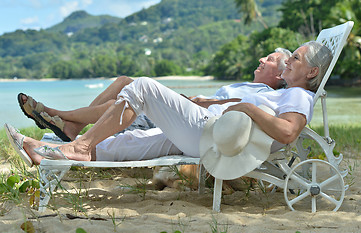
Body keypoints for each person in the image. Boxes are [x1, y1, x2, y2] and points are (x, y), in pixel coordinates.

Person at [6, 41, 332, 169]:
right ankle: (46, 149)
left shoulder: (298, 95)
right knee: (122, 145)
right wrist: (224, 101)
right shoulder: (283, 92)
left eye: (296, 59)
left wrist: (246, 109)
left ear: (312, 72)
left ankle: (77, 143)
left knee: (143, 86)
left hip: (213, 134)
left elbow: (288, 132)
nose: (289, 61)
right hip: (207, 129)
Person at [18, 48, 291, 142]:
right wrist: (190, 98)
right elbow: (224, 102)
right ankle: (73, 125)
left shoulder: (265, 95)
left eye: (268, 59)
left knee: (122, 102)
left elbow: (234, 109)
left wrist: (198, 102)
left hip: (191, 123)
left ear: (279, 76)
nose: (261, 59)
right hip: (190, 110)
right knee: (125, 81)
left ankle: (60, 116)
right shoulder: (251, 86)